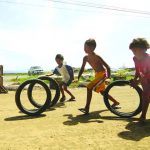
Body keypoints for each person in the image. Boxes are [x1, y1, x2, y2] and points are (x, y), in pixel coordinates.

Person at [78, 38, 119, 114]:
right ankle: (116, 102)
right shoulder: (85, 58)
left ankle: (87, 108)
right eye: (84, 47)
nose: (84, 48)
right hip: (97, 75)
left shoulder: (97, 57)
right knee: (102, 92)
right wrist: (78, 77)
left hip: (103, 74)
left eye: (86, 47)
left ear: (92, 48)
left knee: (89, 87)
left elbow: (108, 67)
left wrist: (108, 78)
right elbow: (82, 68)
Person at [129, 38, 150, 122]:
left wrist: (138, 81)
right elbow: (137, 70)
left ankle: (143, 116)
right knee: (146, 96)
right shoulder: (135, 59)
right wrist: (135, 80)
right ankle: (143, 115)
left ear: (143, 50)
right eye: (132, 51)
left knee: (145, 95)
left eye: (135, 50)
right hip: (145, 80)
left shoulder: (148, 59)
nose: (134, 53)